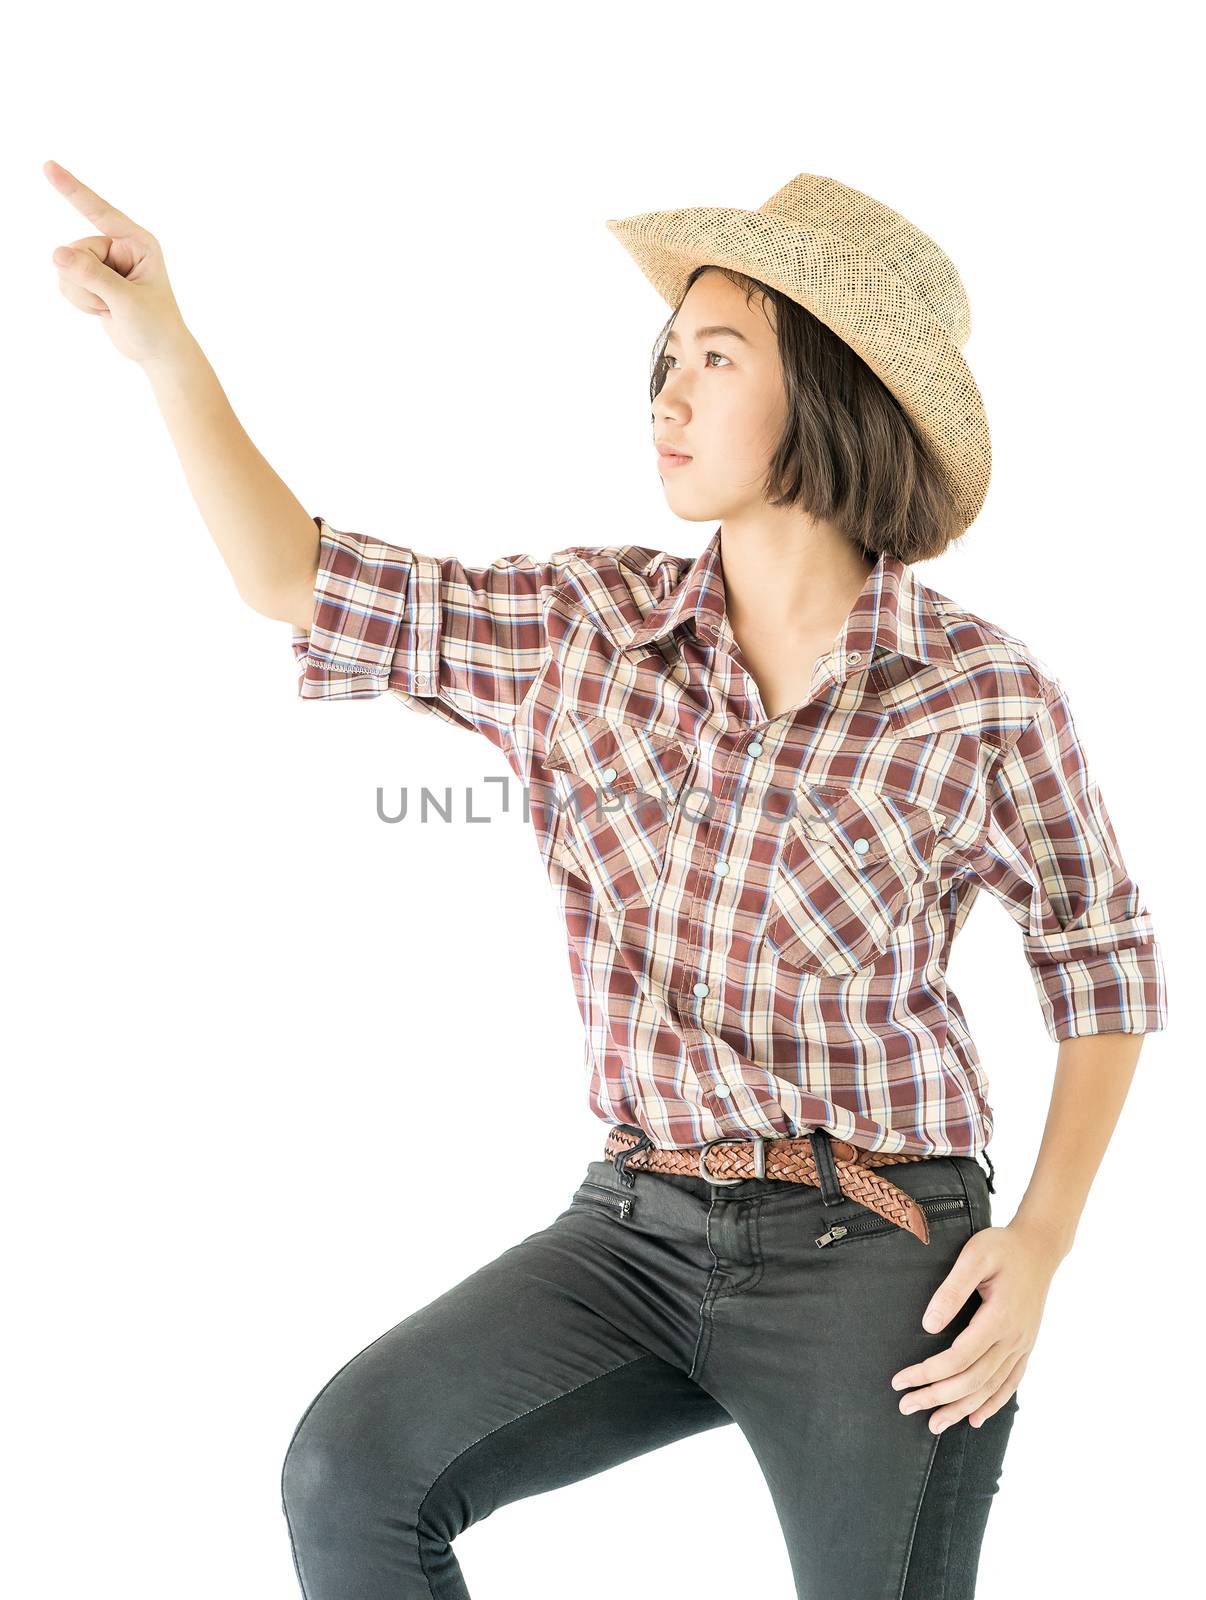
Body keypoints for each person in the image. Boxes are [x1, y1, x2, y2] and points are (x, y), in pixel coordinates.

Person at [46, 161, 1168, 1599]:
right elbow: (296, 580)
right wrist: (165, 348)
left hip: (880, 1252)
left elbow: (1103, 963)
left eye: (717, 358)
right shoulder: (588, 628)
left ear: (824, 390)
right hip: (634, 1229)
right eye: (664, 361)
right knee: (354, 1471)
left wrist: (1044, 1240)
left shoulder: (979, 693)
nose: (667, 396)